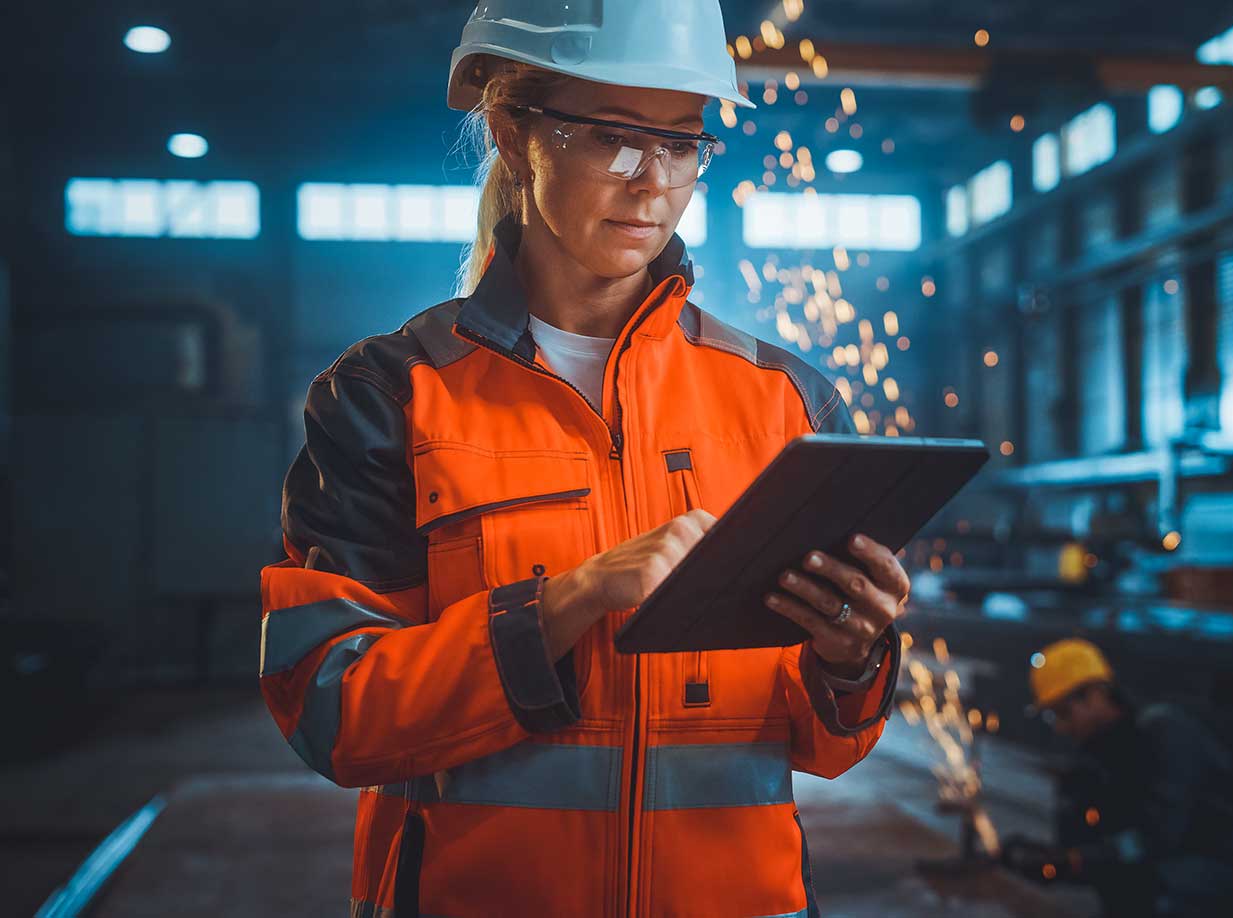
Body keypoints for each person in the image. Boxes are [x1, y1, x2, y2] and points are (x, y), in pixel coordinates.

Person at [255, 2, 910, 915]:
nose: (652, 182)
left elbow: (821, 744)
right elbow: (334, 713)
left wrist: (852, 660)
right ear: (511, 130)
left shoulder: (787, 403)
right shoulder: (390, 397)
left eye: (681, 144)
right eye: (613, 136)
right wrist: (564, 601)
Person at [1000, 639, 1233, 918]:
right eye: (1053, 717)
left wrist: (1080, 860)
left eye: (1064, 713)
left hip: (1210, 865)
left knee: (1155, 890)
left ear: (1097, 694)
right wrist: (1052, 859)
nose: (1062, 727)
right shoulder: (1093, 759)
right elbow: (1097, 848)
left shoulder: (1165, 735)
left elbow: (1158, 835)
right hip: (1161, 867)